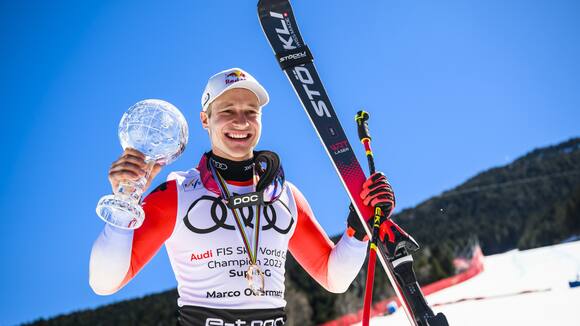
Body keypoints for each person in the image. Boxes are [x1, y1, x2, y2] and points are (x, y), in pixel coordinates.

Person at [89, 68, 395, 325]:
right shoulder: (177, 192)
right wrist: (124, 203)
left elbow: (333, 277)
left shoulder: (284, 195)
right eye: (227, 111)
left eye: (251, 112)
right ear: (205, 120)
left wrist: (358, 227)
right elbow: (104, 283)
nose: (241, 121)